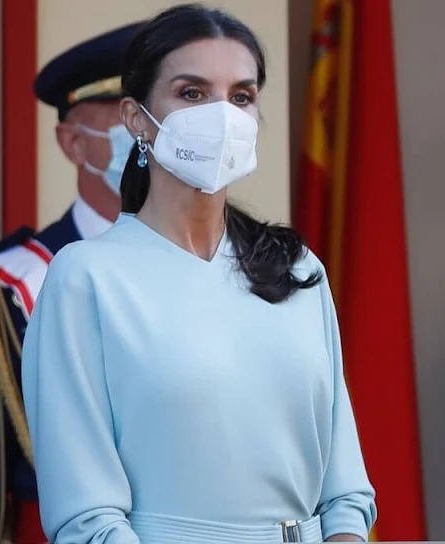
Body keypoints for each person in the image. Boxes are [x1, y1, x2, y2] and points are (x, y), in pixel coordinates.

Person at [21, 4, 377, 544]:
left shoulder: (298, 269)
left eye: (241, 96)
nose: (222, 115)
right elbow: (87, 516)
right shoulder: (86, 279)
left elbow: (345, 490)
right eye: (192, 93)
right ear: (137, 117)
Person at [0, 21, 142, 544]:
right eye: (127, 117)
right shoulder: (7, 286)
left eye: (159, 113)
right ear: (73, 142)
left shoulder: (234, 265)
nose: (150, 134)